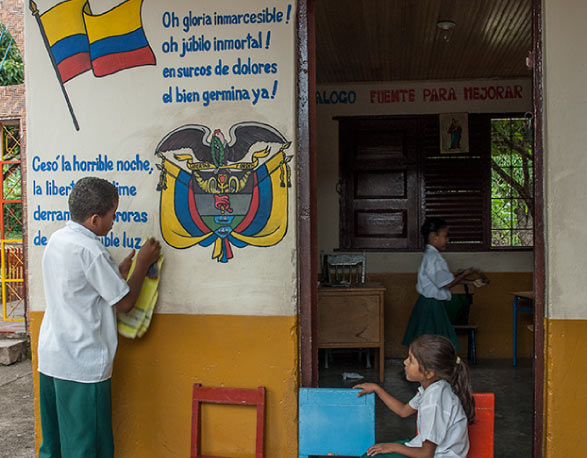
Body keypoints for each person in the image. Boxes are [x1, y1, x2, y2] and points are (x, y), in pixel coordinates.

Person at [37, 177, 161, 458]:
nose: (114, 222)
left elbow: (81, 287)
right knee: (86, 449)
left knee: (54, 446)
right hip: (82, 365)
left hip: (53, 359)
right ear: (94, 219)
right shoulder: (92, 251)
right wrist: (142, 263)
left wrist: (116, 271)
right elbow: (126, 302)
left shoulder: (59, 239)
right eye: (112, 215)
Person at [354, 335, 475, 457]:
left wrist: (394, 447)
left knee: (371, 455)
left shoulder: (433, 401)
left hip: (436, 455)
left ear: (428, 373)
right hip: (426, 450)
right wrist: (377, 389)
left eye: (411, 360)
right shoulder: (434, 387)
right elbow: (403, 411)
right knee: (371, 454)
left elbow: (426, 454)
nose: (405, 362)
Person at [402, 217, 484, 349]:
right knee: (432, 344)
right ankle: (425, 368)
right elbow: (447, 284)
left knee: (428, 344)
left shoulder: (431, 256)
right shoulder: (433, 258)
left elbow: (448, 279)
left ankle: (426, 368)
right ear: (434, 237)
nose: (447, 240)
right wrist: (464, 274)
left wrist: (471, 281)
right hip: (431, 305)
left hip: (429, 303)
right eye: (445, 236)